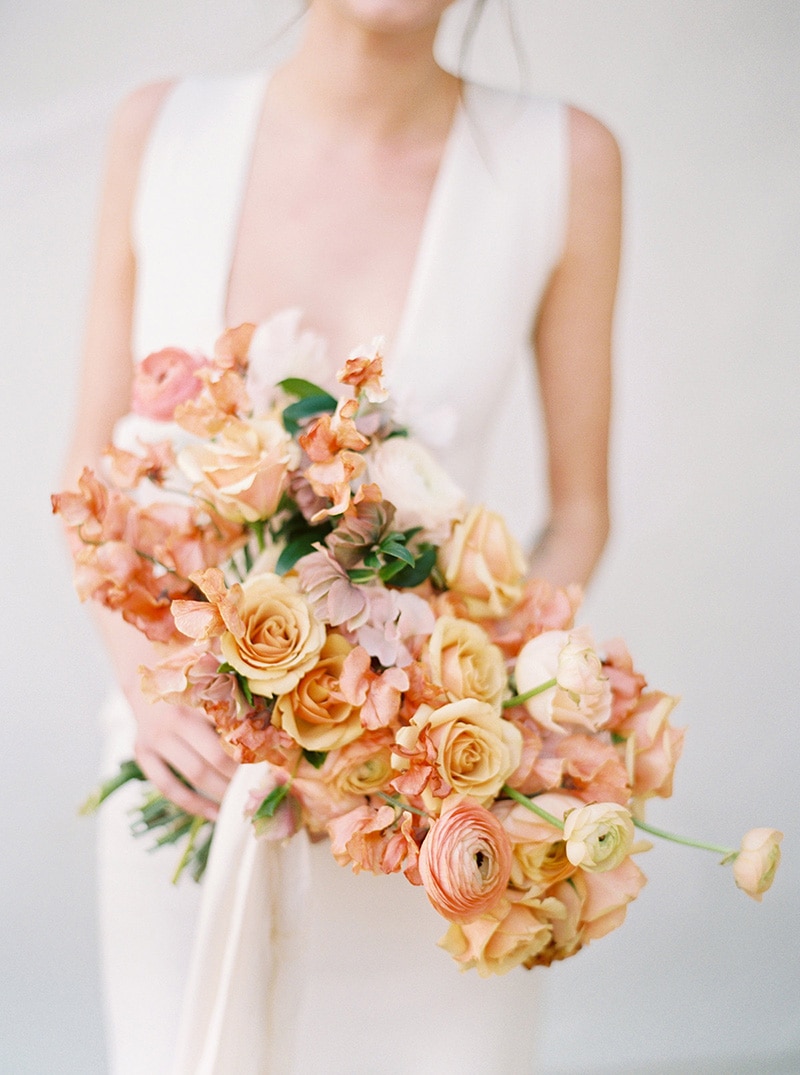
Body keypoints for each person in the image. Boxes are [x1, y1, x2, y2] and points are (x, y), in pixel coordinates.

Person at [63, 0, 620, 1071]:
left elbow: (579, 511)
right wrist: (144, 685)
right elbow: (83, 479)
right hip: (190, 775)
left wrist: (467, 719)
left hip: (423, 819)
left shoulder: (566, 161)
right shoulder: (159, 133)